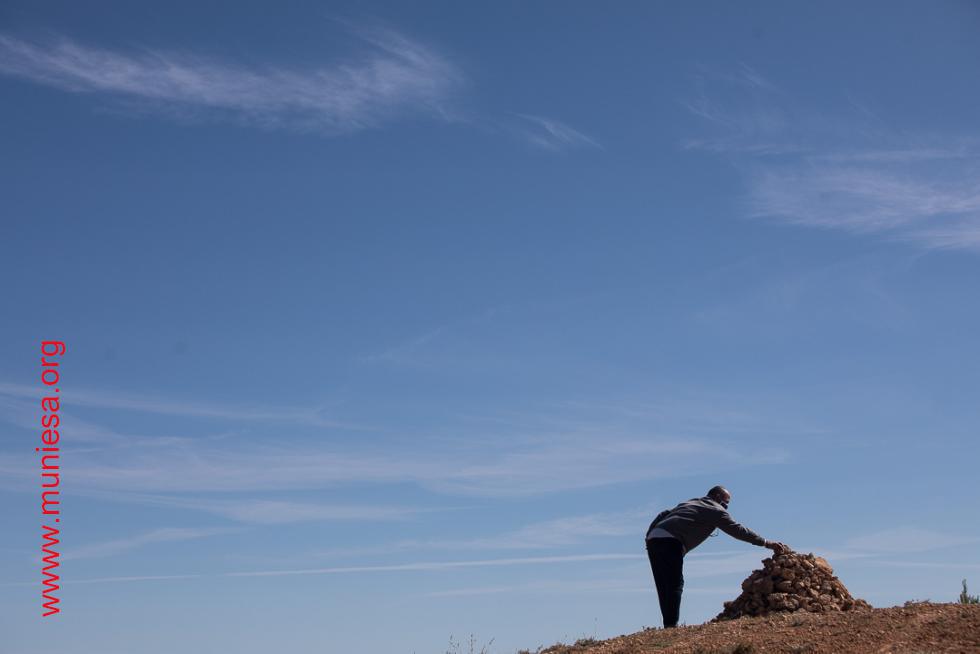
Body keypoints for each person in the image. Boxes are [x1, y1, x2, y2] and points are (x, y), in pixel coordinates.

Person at [644, 485, 788, 628]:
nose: (726, 507)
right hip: (671, 541)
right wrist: (765, 542)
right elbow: (737, 530)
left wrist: (649, 535)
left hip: (654, 538)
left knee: (663, 584)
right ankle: (670, 625)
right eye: (726, 502)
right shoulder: (716, 510)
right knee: (675, 583)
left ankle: (668, 623)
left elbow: (664, 513)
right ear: (717, 497)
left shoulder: (692, 502)